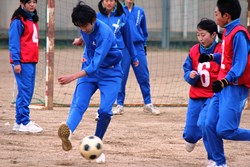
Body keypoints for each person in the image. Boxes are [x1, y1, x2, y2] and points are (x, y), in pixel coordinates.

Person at [57, 1, 123, 163]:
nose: (83, 29)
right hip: (89, 71)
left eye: (84, 26)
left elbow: (95, 65)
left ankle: (97, 144)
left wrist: (72, 77)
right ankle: (69, 132)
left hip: (111, 74)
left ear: (93, 20)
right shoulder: (85, 29)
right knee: (79, 103)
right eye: (79, 26)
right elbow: (89, 38)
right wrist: (81, 39)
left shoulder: (106, 34)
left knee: (105, 111)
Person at [199, 0, 250, 166]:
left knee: (225, 130)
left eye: (216, 14)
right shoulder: (228, 31)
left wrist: (225, 80)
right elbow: (227, 57)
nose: (215, 16)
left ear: (226, 16)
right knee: (206, 124)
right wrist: (212, 57)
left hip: (234, 88)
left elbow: (239, 64)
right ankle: (219, 163)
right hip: (222, 87)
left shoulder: (239, 34)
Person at [182, 18, 221, 167]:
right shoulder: (193, 50)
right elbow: (186, 69)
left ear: (213, 35)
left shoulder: (221, 51)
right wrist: (190, 76)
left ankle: (213, 159)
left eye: (203, 35)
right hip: (196, 96)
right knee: (190, 134)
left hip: (213, 97)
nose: (200, 38)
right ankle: (191, 138)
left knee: (206, 125)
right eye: (198, 35)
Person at [113, 0, 160, 115]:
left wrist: (144, 45)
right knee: (121, 76)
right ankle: (119, 104)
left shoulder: (140, 11)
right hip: (123, 47)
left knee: (143, 75)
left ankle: (148, 103)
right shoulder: (118, 11)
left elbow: (144, 31)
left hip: (138, 47)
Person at [9, 0, 43, 133]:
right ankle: (24, 121)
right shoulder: (18, 20)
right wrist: (16, 62)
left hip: (31, 61)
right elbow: (14, 42)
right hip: (22, 62)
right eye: (29, 2)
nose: (32, 5)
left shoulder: (32, 19)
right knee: (25, 91)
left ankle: (18, 122)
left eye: (34, 2)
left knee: (27, 91)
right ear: (22, 3)